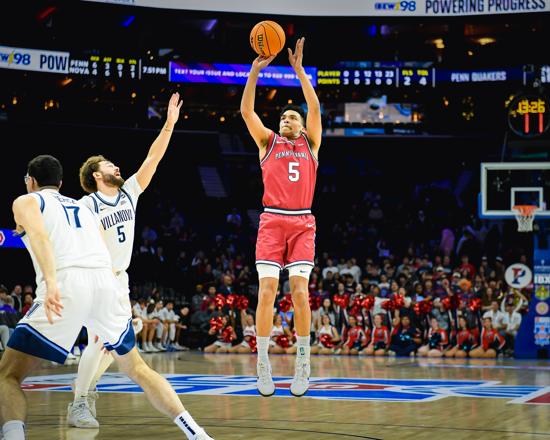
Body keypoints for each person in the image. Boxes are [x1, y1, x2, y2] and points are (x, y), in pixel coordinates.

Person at [0, 155, 212, 440]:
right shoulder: (82, 207)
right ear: (61, 183)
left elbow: (39, 237)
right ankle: (196, 433)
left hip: (67, 282)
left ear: (31, 181)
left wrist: (51, 282)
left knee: (7, 375)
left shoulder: (27, 201)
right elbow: (99, 244)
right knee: (137, 367)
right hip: (105, 282)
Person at [68, 92, 183, 427]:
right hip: (96, 277)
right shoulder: (87, 205)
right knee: (101, 341)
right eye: (108, 165)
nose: (116, 166)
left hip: (120, 280)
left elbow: (153, 159)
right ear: (95, 176)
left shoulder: (128, 193)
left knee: (120, 339)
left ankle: (85, 390)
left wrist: (169, 124)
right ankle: (80, 402)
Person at [240, 37, 322, 397]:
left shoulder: (311, 143)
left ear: (301, 126)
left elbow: (314, 107)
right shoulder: (267, 142)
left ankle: (303, 362)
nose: (285, 120)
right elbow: (247, 112)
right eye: (282, 117)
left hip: (302, 223)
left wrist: (300, 72)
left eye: (292, 117)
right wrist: (254, 72)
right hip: (272, 221)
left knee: (300, 293)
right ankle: (262, 363)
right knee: (267, 292)